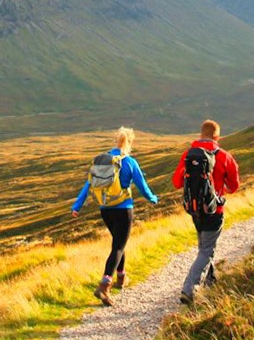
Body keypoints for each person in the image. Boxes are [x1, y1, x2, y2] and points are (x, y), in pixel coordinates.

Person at [71, 126, 159, 306]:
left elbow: (87, 185)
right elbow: (141, 185)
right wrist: (152, 198)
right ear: (130, 142)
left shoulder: (101, 161)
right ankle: (104, 285)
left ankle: (121, 277)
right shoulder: (129, 162)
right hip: (123, 209)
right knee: (118, 246)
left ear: (115, 140)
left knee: (119, 243)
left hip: (105, 209)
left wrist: (77, 206)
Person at [172, 119, 240, 304]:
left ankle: (210, 280)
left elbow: (177, 182)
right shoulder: (224, 156)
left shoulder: (188, 155)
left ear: (201, 134)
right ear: (217, 136)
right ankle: (189, 289)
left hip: (194, 209)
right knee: (207, 250)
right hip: (214, 210)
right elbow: (234, 186)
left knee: (204, 246)